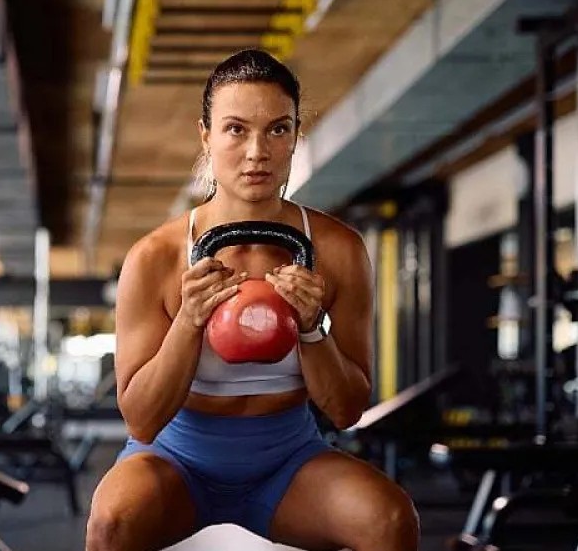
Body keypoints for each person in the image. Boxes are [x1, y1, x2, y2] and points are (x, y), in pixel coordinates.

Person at [86, 49, 419, 551]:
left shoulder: (337, 250)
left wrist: (311, 329)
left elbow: (348, 409)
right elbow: (141, 419)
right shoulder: (154, 257)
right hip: (176, 460)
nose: (257, 151)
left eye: (277, 129)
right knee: (113, 521)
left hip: (287, 461)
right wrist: (189, 321)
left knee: (390, 520)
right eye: (236, 129)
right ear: (206, 134)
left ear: (295, 136)